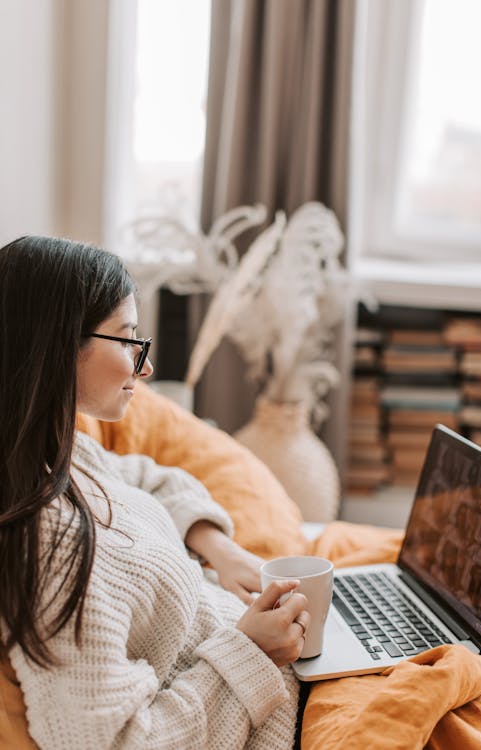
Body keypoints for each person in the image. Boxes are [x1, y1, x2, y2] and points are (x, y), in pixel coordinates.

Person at [0, 236, 310, 749]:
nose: (143, 367)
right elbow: (123, 743)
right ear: (56, 346)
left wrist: (219, 547)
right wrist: (251, 652)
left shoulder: (54, 451)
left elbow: (151, 479)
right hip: (273, 717)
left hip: (273, 659)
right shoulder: (51, 553)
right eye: (127, 340)